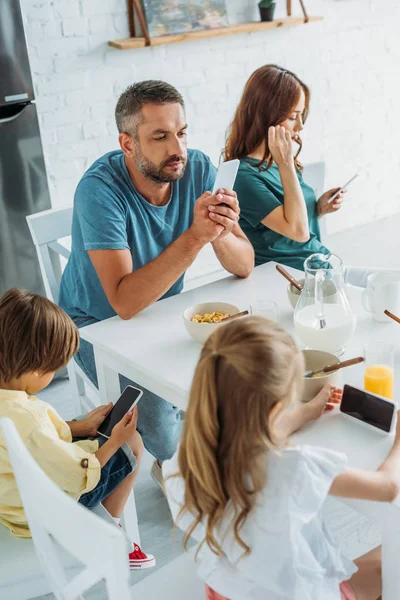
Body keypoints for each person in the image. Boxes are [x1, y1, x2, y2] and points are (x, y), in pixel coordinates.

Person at [59, 80, 254, 483]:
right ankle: (185, 456)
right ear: (128, 144)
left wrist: (220, 230)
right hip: (96, 325)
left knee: (251, 371)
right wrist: (196, 236)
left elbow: (245, 265)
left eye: (181, 133)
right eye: (160, 137)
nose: (177, 149)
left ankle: (198, 445)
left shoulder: (196, 167)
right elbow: (124, 304)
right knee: (165, 440)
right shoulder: (99, 191)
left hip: (163, 311)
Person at [163, 315, 395, 600]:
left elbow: (257, 431)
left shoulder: (185, 458)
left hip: (226, 591)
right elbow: (388, 487)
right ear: (275, 410)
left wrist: (307, 411)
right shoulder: (294, 465)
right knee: (390, 561)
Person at [0, 288, 155, 569]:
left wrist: (79, 427)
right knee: (132, 443)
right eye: (52, 369)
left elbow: (25, 441)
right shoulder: (30, 419)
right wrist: (113, 441)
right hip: (44, 512)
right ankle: (111, 530)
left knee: (96, 433)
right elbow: (75, 474)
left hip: (10, 503)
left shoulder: (12, 406)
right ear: (34, 370)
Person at [224, 64, 346, 270]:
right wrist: (286, 163)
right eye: (292, 117)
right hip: (289, 277)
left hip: (318, 264)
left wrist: (318, 209)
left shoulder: (277, 162)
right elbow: (298, 232)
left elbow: (291, 219)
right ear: (266, 116)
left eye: (301, 115)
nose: (300, 126)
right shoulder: (244, 176)